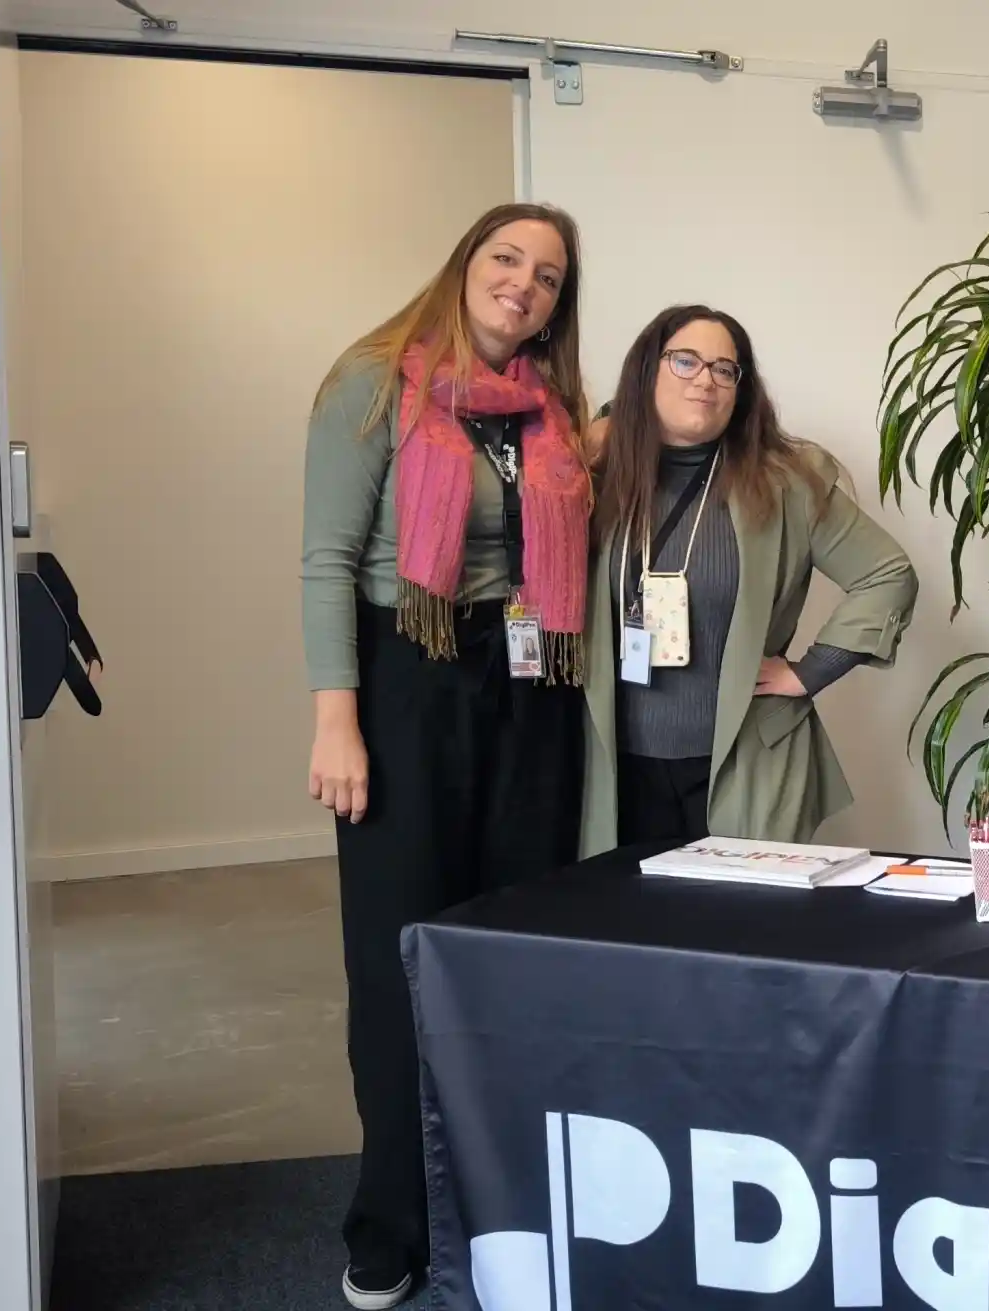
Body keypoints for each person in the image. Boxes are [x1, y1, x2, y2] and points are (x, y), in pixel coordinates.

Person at [298, 202, 594, 1310]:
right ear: (464, 263)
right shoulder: (374, 383)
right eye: (506, 259)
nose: (525, 284)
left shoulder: (548, 413)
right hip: (405, 681)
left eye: (550, 276)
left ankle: (500, 1211)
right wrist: (338, 718)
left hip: (530, 689)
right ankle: (389, 1226)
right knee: (399, 962)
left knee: (509, 951)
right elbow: (325, 560)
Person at [578, 305, 917, 851]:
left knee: (736, 925)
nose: (704, 380)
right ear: (648, 370)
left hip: (745, 765)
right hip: (615, 766)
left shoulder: (787, 483)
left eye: (724, 369)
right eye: (684, 361)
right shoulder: (595, 472)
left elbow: (887, 573)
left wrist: (812, 670)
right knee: (623, 928)